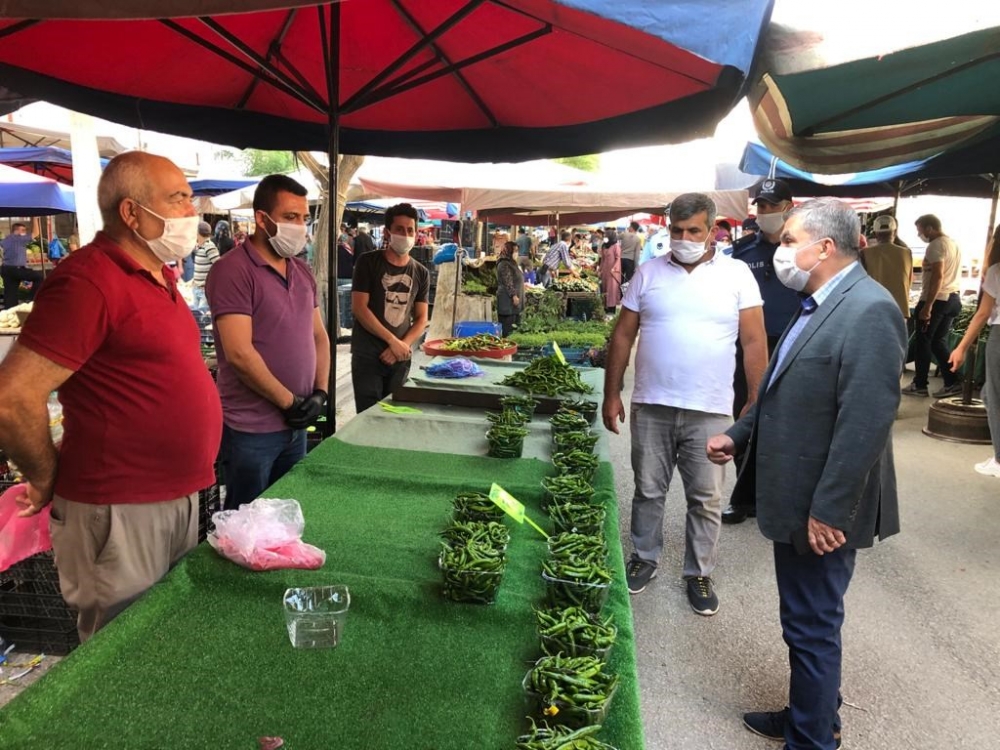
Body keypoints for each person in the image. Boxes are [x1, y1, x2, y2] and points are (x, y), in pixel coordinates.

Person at [707, 197, 906, 750]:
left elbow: (866, 422)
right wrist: (737, 435)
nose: (780, 248)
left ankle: (812, 739)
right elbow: (778, 391)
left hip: (822, 505)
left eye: (791, 239)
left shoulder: (869, 310)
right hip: (798, 492)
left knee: (810, 623)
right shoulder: (817, 302)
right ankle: (813, 714)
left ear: (824, 247)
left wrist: (830, 511)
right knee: (807, 618)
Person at [0, 151, 222, 641]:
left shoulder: (158, 274)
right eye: (178, 198)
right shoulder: (88, 280)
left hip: (175, 498)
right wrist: (45, 475)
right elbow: (11, 398)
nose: (192, 211)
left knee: (167, 643)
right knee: (121, 654)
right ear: (131, 213)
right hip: (119, 508)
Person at [602, 192, 767, 614]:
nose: (685, 238)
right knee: (648, 489)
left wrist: (755, 398)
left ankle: (699, 573)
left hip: (710, 409)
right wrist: (611, 392)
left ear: (711, 231)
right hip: (651, 403)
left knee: (706, 498)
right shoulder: (649, 274)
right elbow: (623, 335)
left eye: (694, 230)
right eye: (677, 230)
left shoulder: (737, 275)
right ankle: (644, 557)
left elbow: (753, 341)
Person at [207, 175, 330, 511]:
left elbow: (318, 336)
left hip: (297, 425)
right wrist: (289, 403)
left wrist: (320, 393)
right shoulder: (232, 271)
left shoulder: (301, 271)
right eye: (290, 217)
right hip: (252, 429)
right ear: (262, 219)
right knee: (246, 519)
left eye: (304, 218)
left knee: (284, 516)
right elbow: (239, 353)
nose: (300, 226)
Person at [724, 178, 802, 525]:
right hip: (750, 346)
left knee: (789, 420)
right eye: (762, 206)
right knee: (746, 413)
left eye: (772, 206)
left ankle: (783, 497)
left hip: (794, 345)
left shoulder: (804, 250)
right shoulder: (741, 253)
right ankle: (745, 495)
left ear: (789, 207)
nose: (766, 212)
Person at [350, 202, 430, 413]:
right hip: (368, 356)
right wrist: (392, 341)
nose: (406, 235)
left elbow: (421, 318)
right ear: (387, 233)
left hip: (400, 357)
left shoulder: (421, 272)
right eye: (399, 229)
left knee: (395, 416)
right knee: (369, 417)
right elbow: (359, 308)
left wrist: (402, 346)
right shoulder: (368, 262)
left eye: (410, 230)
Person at [949, 224, 1000, 477]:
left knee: (994, 395)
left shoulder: (996, 270)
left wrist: (961, 347)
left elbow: (982, 313)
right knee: (991, 394)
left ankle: (999, 460)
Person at [904, 214, 962, 398]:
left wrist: (927, 306)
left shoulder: (935, 245)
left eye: (920, 230)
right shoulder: (952, 244)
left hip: (937, 300)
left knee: (923, 342)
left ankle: (920, 384)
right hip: (952, 298)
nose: (919, 234)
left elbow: (938, 276)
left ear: (930, 228)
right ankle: (952, 382)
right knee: (937, 341)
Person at [860, 214, 912, 322]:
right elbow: (909, 281)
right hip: (899, 309)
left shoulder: (865, 253)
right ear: (895, 232)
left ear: (875, 233)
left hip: (875, 307)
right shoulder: (906, 253)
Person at [1, 223, 44, 309]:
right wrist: (35, 219)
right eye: (23, 230)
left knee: (10, 294)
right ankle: (30, 299)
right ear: (16, 231)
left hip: (6, 269)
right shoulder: (19, 238)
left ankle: (10, 311)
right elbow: (36, 233)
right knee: (39, 277)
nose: (25, 232)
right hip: (17, 269)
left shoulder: (6, 240)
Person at [496, 240, 524, 337]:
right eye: (515, 251)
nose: (516, 253)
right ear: (509, 251)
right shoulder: (503, 264)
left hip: (513, 303)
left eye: (517, 251)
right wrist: (514, 295)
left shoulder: (512, 263)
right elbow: (507, 281)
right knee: (508, 328)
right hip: (507, 302)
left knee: (514, 327)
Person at [191, 221, 220, 310]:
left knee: (202, 315)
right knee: (196, 315)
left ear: (198, 233)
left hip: (204, 290)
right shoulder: (199, 246)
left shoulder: (209, 246)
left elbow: (219, 266)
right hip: (196, 288)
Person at [597, 227, 622, 315]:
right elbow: (603, 259)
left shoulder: (616, 246)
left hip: (613, 272)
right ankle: (605, 307)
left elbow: (618, 258)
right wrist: (600, 269)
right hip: (605, 270)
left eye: (606, 235)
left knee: (612, 289)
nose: (605, 237)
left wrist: (614, 268)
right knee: (605, 287)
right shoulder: (604, 246)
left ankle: (612, 308)